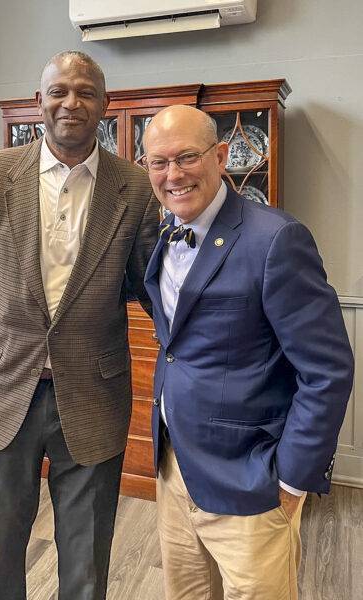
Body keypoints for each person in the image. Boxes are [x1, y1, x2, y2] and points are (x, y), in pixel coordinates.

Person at [0, 50, 158, 600]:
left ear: (105, 106)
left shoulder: (133, 187)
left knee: (86, 560)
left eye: (85, 92)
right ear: (39, 102)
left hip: (94, 396)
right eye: (59, 91)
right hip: (1, 396)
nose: (71, 102)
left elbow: (151, 286)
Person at [141, 104, 354, 600]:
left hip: (251, 481)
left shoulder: (275, 239)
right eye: (158, 162)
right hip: (174, 472)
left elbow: (326, 370)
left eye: (187, 157)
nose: (173, 175)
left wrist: (293, 483)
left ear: (220, 156)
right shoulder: (161, 235)